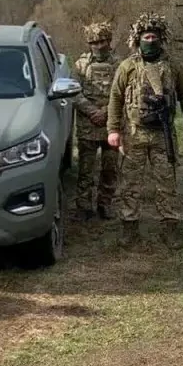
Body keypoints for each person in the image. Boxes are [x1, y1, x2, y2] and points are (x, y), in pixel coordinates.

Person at [106, 13, 183, 248]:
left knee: (167, 183)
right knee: (130, 183)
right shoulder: (128, 66)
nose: (150, 40)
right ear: (138, 39)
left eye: (154, 36)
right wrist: (113, 129)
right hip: (134, 133)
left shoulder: (173, 66)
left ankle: (169, 228)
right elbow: (116, 98)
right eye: (146, 37)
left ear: (161, 38)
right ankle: (129, 227)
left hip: (162, 134)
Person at [71, 21, 121, 220]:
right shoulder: (80, 65)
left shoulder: (119, 65)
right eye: (94, 42)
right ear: (89, 44)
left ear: (109, 41)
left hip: (111, 125)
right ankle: (83, 207)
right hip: (87, 125)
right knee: (86, 170)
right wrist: (92, 112)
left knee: (110, 168)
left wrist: (106, 113)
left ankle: (105, 204)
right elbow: (74, 92)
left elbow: (123, 93)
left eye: (102, 41)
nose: (99, 46)